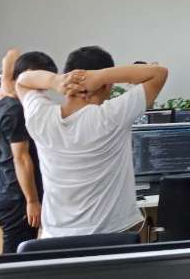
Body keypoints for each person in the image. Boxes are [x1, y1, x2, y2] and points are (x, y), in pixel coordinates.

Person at [16, 46, 168, 238]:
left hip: (55, 238)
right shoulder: (112, 116)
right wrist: (101, 76)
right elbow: (159, 73)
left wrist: (56, 81)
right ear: (107, 85)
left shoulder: (41, 116)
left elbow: (22, 82)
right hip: (112, 237)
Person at [0, 49, 55, 253]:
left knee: (19, 254)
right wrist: (32, 201)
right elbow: (21, 158)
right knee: (16, 258)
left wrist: (9, 78)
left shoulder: (0, 100)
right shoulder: (16, 110)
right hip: (19, 198)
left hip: (8, 192)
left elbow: (11, 54)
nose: (41, 93)